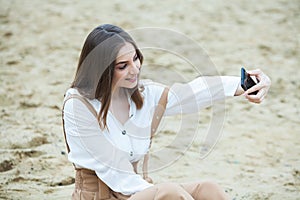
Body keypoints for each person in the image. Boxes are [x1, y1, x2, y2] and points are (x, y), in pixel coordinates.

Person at [62, 24, 271, 200]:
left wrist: (244, 85)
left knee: (208, 189)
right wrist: (165, 193)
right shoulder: (78, 104)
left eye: (136, 58)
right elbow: (114, 170)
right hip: (103, 195)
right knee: (171, 193)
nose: (135, 69)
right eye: (122, 66)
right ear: (102, 70)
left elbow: (193, 93)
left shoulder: (143, 94)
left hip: (137, 191)